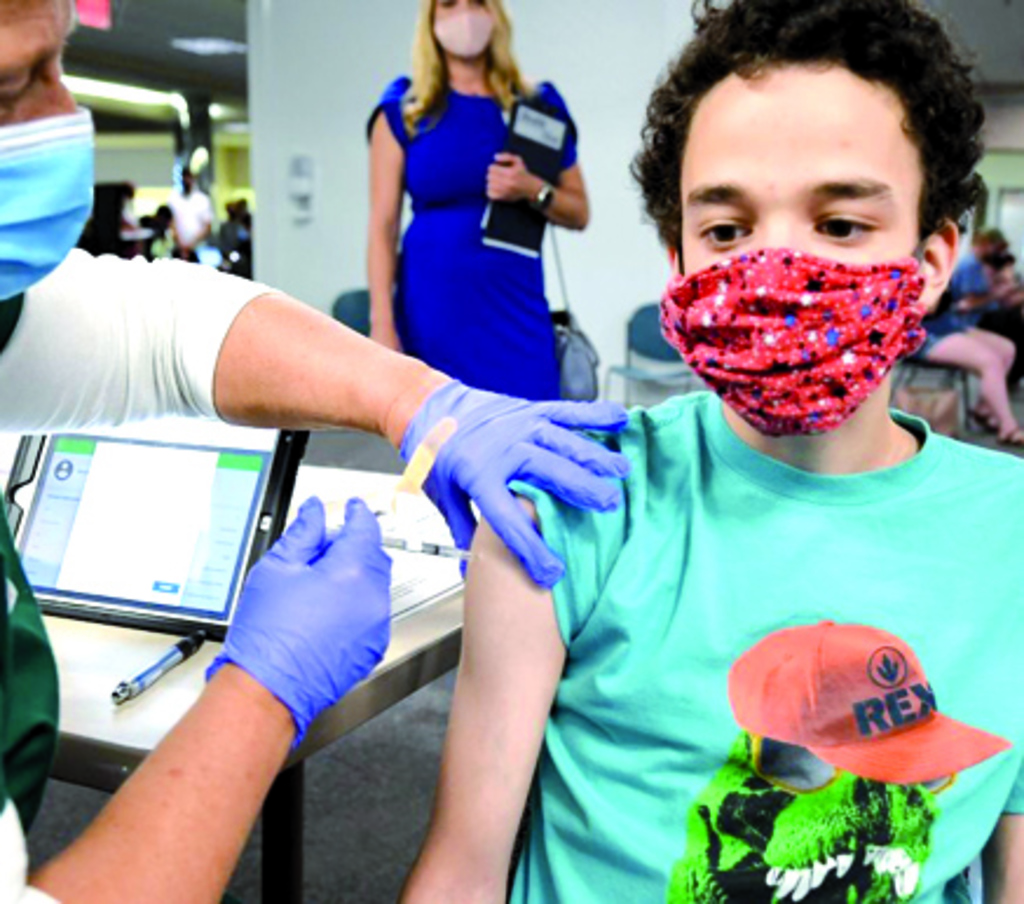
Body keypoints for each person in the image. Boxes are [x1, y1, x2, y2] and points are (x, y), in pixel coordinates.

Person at [0, 1, 632, 900]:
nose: (69, 117)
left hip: (508, 308)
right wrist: (262, 690)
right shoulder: (404, 110)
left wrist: (415, 398)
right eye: (14, 85)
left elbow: (155, 326)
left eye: (61, 64)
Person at [402, 1, 1024, 901]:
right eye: (727, 231)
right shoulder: (576, 500)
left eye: (840, 225)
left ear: (929, 263)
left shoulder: (1008, 535)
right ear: (680, 260)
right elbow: (463, 868)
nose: (774, 270)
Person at [367, 0, 590, 400]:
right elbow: (382, 228)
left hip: (514, 306)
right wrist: (382, 324)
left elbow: (579, 211)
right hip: (430, 309)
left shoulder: (537, 104)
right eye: (449, 4)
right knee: (439, 429)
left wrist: (532, 189)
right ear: (430, 21)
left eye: (476, 2)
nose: (465, 14)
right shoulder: (403, 111)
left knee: (531, 420)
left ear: (496, 13)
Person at [909, 228, 1024, 444]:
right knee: (990, 361)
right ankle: (1008, 427)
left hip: (950, 325)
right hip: (926, 334)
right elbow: (939, 306)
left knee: (1007, 348)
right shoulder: (925, 264)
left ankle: (983, 409)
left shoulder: (965, 264)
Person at [168, 166, 214, 261]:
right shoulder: (174, 199)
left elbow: (207, 227)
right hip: (179, 249)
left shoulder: (202, 200)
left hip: (198, 249)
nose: (186, 180)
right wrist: (180, 244)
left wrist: (191, 244)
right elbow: (172, 223)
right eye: (184, 177)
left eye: (189, 177)